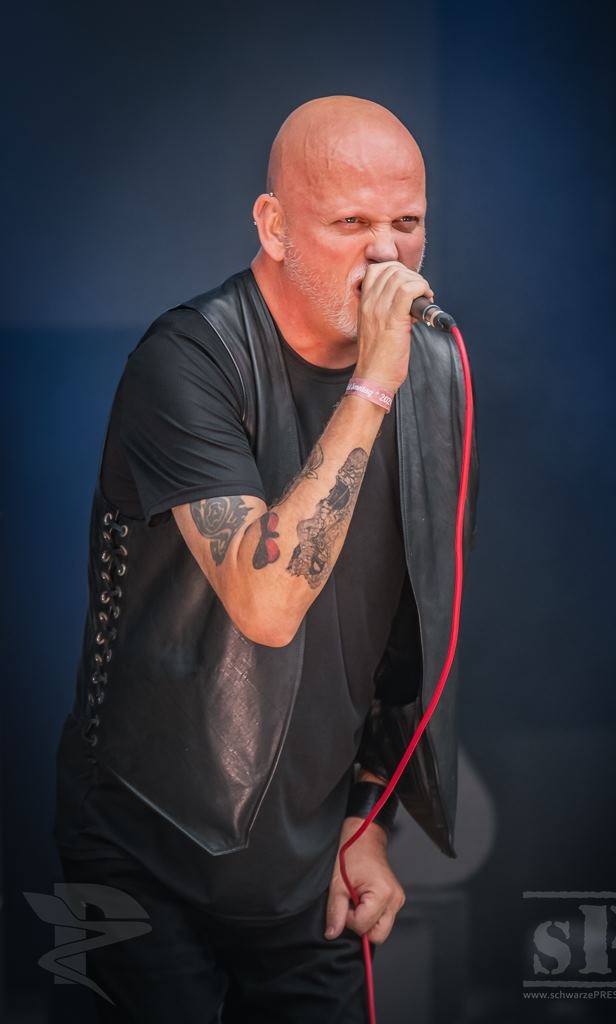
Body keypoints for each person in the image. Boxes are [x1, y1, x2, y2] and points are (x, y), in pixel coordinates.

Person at [55, 95, 478, 1023]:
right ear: (274, 225)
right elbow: (267, 603)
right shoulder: (187, 360)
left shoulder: (435, 373)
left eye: (406, 224)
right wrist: (373, 382)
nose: (386, 256)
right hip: (143, 845)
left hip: (307, 855)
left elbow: (411, 626)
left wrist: (368, 819)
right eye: (350, 223)